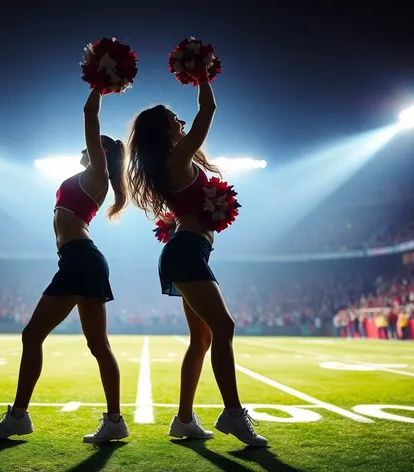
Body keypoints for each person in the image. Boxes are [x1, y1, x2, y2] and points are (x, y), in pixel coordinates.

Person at [126, 74, 267, 447]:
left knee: (202, 338)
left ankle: (184, 420)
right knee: (224, 327)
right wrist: (202, 73)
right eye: (174, 117)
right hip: (187, 253)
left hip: (190, 251)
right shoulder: (177, 158)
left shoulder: (172, 163)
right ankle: (233, 414)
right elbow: (208, 109)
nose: (180, 121)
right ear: (164, 128)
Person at [0, 88, 130, 443]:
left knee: (32, 335)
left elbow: (89, 118)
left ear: (102, 150)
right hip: (82, 259)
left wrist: (98, 86)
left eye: (91, 146)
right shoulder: (93, 176)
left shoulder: (98, 171)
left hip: (80, 259)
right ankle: (114, 421)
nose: (82, 149)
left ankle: (18, 416)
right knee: (99, 346)